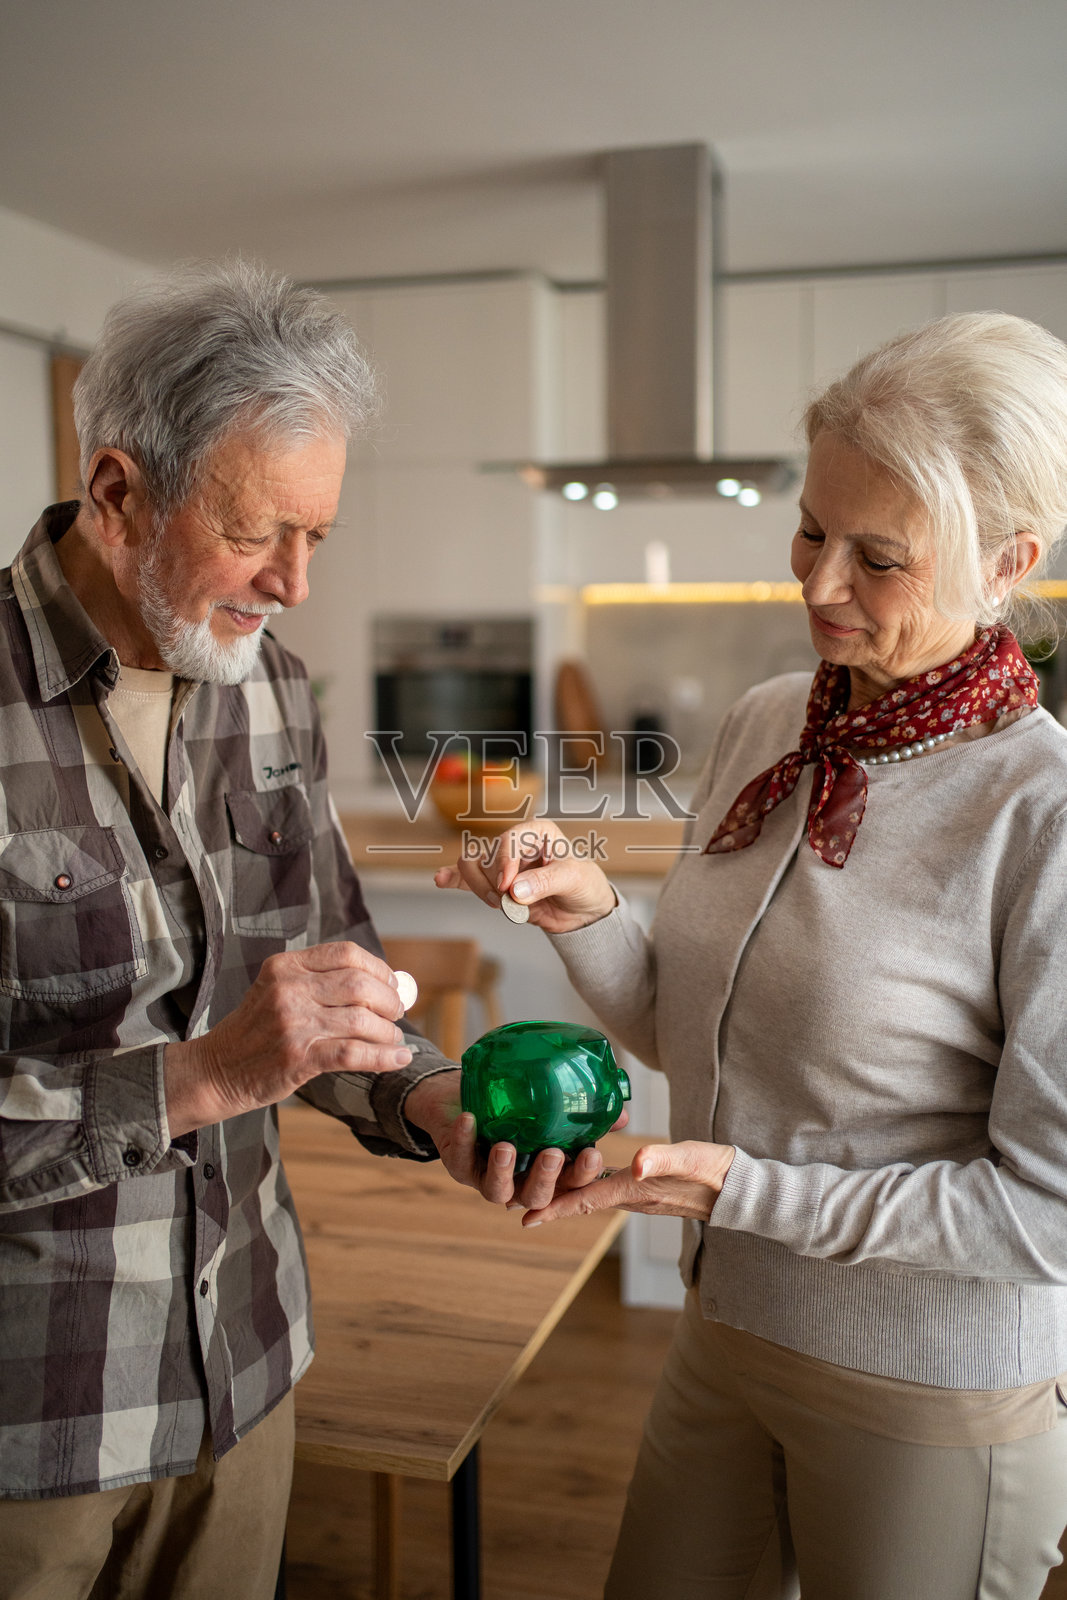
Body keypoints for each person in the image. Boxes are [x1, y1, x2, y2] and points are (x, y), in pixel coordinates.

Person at [437, 311, 1067, 1599]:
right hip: (726, 1330)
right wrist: (591, 917)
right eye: (811, 529)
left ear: (1012, 560)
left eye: (879, 557)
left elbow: (1046, 1212)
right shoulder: (772, 724)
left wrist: (740, 1192)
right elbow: (691, 1034)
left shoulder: (1039, 813)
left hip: (926, 1382)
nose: (819, 584)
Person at [0, 261, 596, 1600]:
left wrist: (436, 1104)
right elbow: (239, 1059)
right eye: (261, 531)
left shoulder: (262, 682)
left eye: (318, 535)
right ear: (116, 494)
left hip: (249, 1372)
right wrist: (204, 1077)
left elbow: (330, 981)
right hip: (34, 1423)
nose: (297, 582)